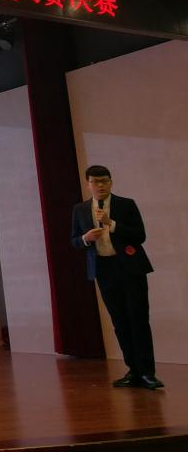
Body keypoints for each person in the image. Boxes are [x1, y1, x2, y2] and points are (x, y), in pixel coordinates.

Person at [71, 165, 162, 389]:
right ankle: (133, 370)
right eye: (95, 181)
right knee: (120, 321)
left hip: (130, 269)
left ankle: (147, 373)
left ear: (111, 182)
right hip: (104, 270)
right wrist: (85, 238)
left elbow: (139, 236)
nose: (100, 185)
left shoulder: (126, 204)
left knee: (138, 319)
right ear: (88, 184)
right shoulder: (80, 209)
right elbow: (74, 241)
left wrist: (111, 224)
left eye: (104, 180)